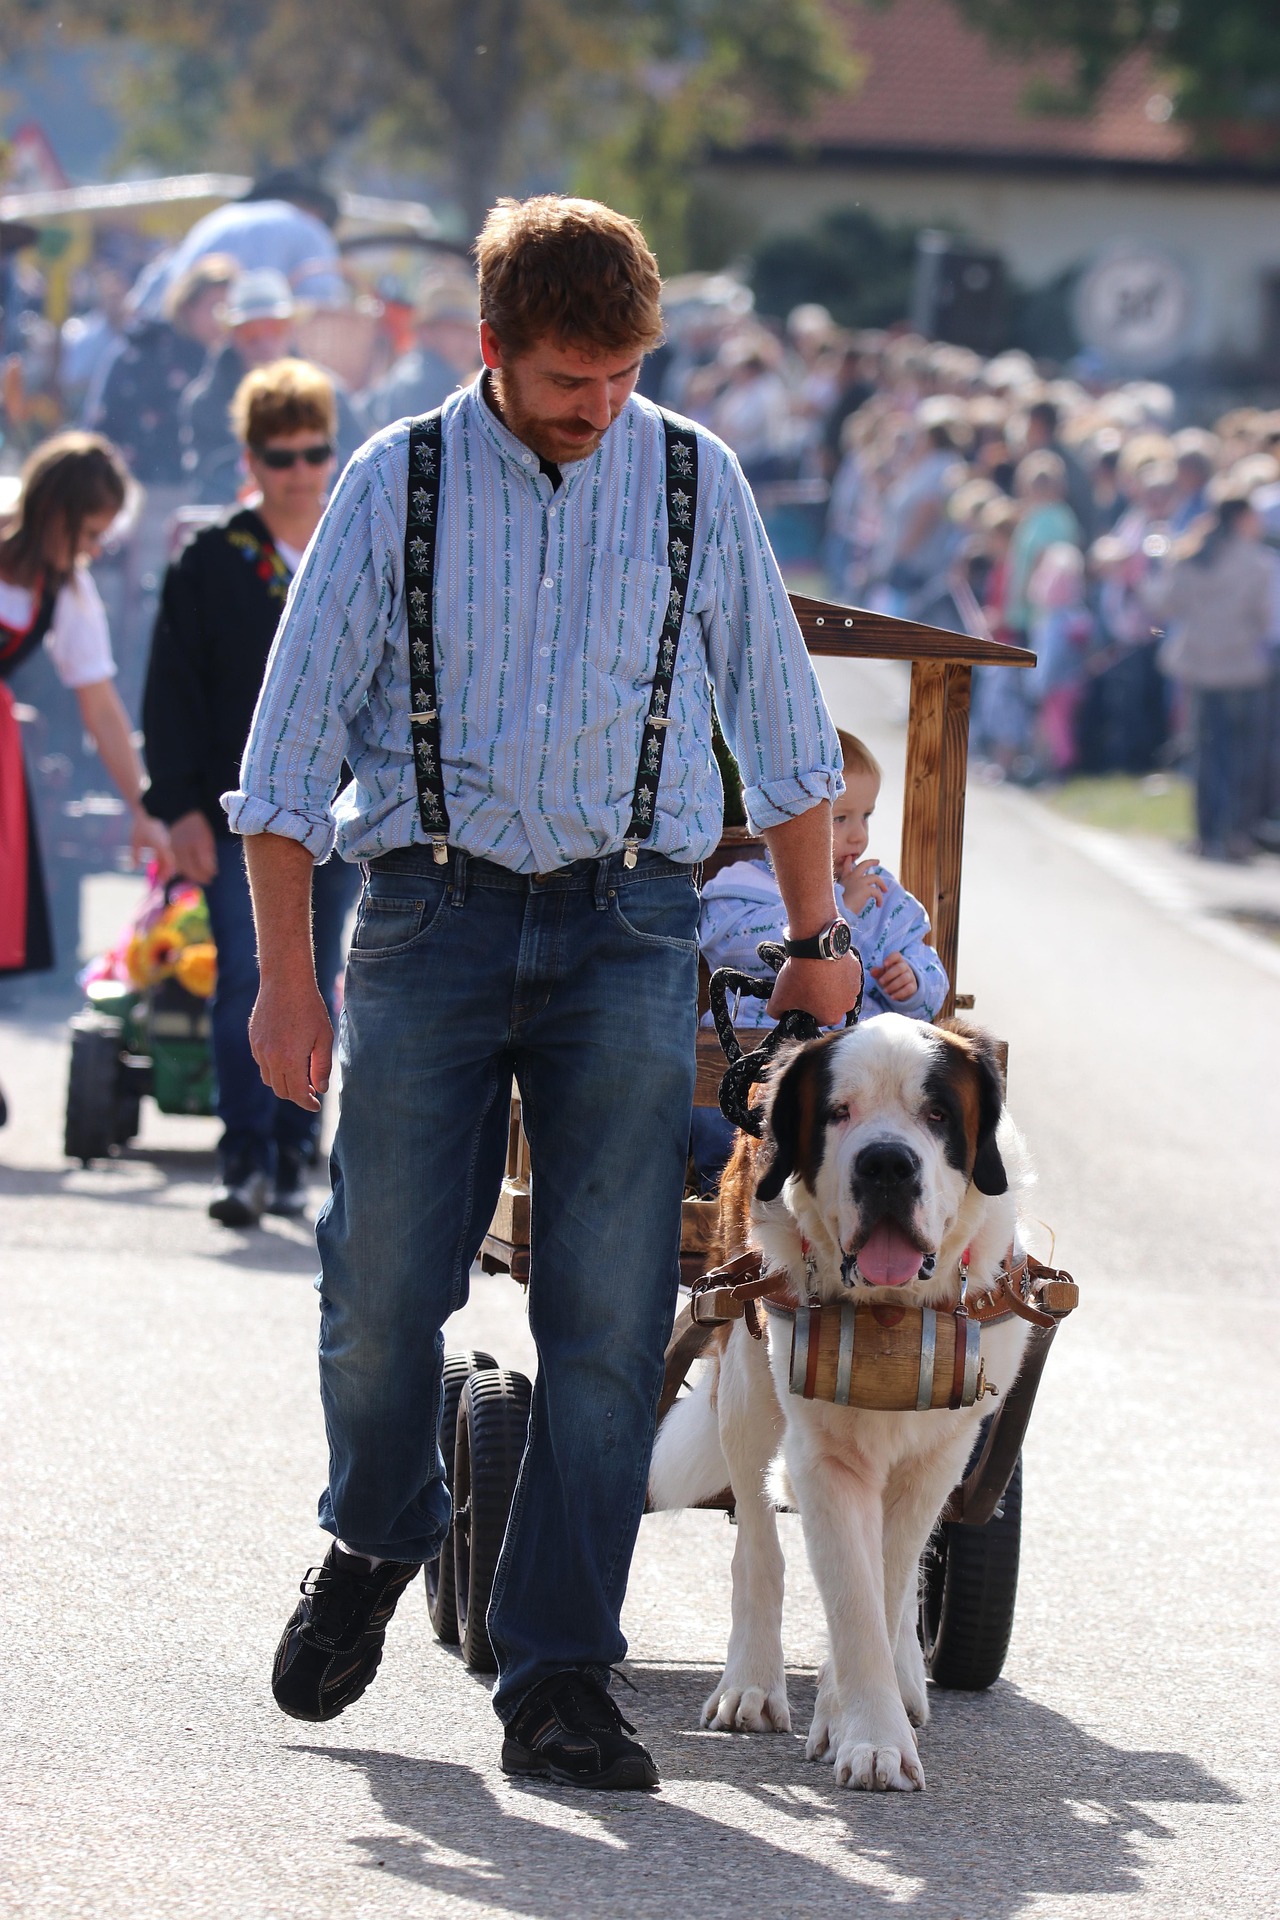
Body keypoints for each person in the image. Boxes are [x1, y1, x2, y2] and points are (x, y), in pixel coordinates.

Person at [225, 194, 859, 1789]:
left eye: (629, 370)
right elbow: (288, 761)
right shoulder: (393, 485)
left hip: (627, 935)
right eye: (577, 377)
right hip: (426, 921)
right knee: (379, 1297)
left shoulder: (693, 476)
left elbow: (783, 730)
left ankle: (559, 1675)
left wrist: (813, 931)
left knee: (607, 1322)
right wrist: (284, 990)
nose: (607, 403)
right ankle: (378, 1528)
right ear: (494, 351)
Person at [143, 360, 358, 1224]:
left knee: (328, 977)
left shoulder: (356, 546)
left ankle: (297, 1148)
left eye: (315, 452)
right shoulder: (211, 557)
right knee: (248, 976)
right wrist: (178, 807)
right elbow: (171, 689)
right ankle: (247, 1159)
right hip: (240, 814)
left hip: (343, 815)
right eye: (281, 455)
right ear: (251, 459)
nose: (300, 471)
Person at [692, 729, 947, 1189]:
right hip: (753, 1059)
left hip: (853, 1080)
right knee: (715, 1122)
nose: (859, 835)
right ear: (784, 821)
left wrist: (914, 984)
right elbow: (728, 944)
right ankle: (721, 1190)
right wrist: (834, 905)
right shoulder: (745, 884)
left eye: (865, 816)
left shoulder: (884, 898)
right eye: (841, 818)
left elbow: (927, 966)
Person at [0, 433, 171, 984]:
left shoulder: (66, 589)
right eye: (92, 532)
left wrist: (142, 808)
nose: (96, 550)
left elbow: (102, 709)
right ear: (53, 511)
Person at [1147, 493, 1273, 861]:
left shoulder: (1191, 557)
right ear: (1242, 519)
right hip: (1244, 669)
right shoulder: (1259, 564)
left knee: (1205, 752)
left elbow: (1167, 605)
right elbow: (1265, 620)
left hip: (1201, 668)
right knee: (1243, 757)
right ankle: (1237, 835)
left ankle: (1205, 834)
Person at [178, 269, 367, 501]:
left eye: (275, 328)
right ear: (233, 335)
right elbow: (208, 480)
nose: (265, 342)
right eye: (252, 332)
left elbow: (357, 469)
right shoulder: (206, 403)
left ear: (291, 330)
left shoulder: (330, 394)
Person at [89, 255, 237, 485]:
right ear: (187, 307)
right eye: (216, 307)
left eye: (231, 309)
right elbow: (100, 429)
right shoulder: (140, 352)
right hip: (140, 493)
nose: (223, 319)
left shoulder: (233, 361)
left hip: (211, 494)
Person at [360, 276, 481, 433]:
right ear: (426, 333)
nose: (467, 343)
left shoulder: (408, 370)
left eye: (472, 333)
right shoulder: (426, 382)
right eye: (456, 330)